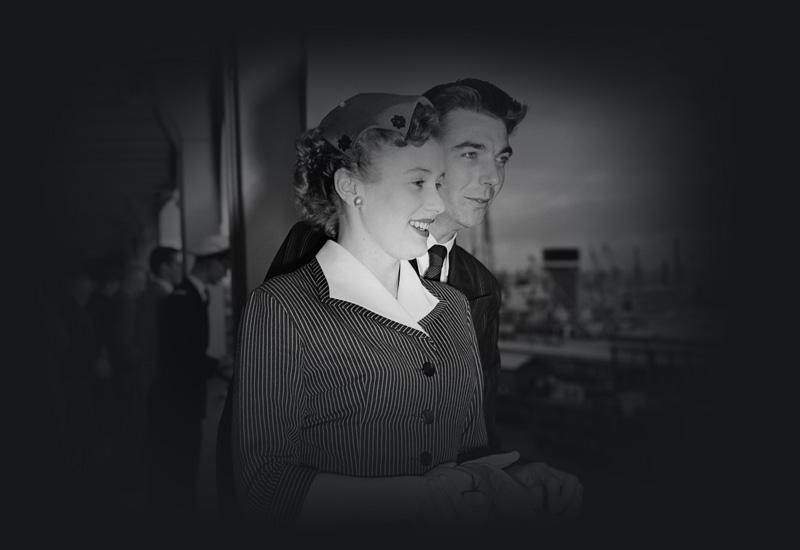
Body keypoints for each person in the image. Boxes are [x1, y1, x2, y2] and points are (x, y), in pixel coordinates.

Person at [257, 79, 582, 516]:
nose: (493, 178)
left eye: (500, 158)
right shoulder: (316, 251)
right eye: (470, 153)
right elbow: (258, 458)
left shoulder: (478, 286)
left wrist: (514, 475)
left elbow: (472, 436)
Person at [145, 235, 230, 514]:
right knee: (182, 461)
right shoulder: (183, 299)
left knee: (186, 460)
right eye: (223, 265)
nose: (225, 272)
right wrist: (216, 365)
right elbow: (183, 355)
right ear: (209, 264)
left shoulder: (191, 295)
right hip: (178, 397)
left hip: (185, 395)